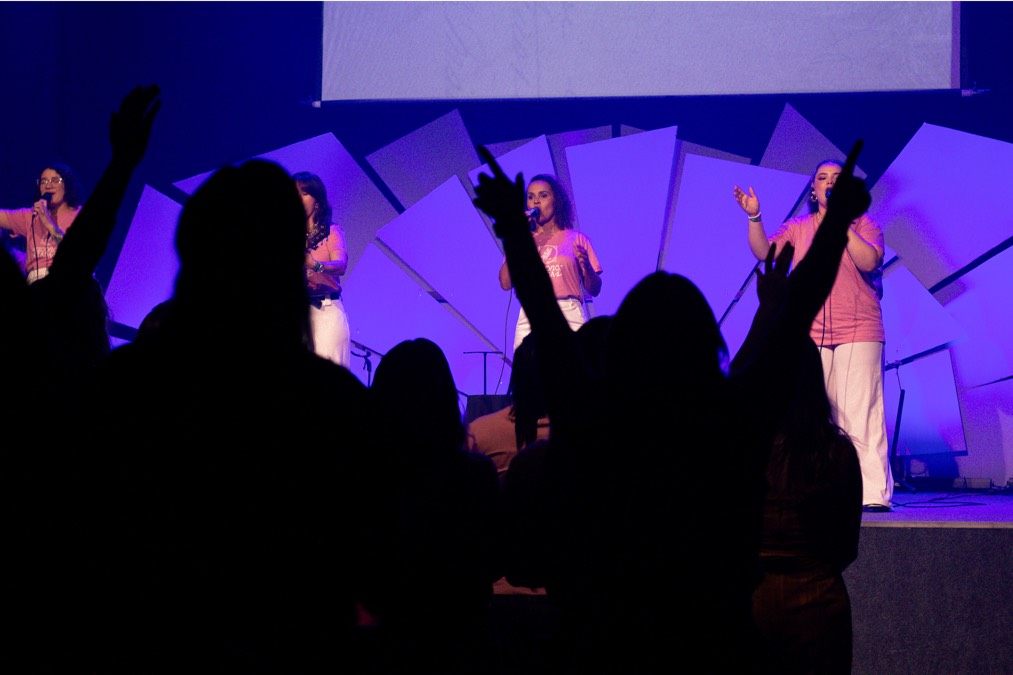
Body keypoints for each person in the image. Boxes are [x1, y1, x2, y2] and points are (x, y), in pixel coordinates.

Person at [474, 140, 872, 673]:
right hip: (715, 647)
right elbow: (791, 324)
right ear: (707, 345)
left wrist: (509, 224)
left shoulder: (595, 427)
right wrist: (784, 294)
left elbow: (547, 323)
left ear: (620, 352)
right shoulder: (729, 427)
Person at [734, 159, 893, 512]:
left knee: (859, 414)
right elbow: (766, 253)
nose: (830, 183)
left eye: (838, 179)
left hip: (860, 329)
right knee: (816, 415)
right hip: (812, 333)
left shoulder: (864, 224)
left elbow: (869, 262)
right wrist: (755, 217)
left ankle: (872, 496)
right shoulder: (799, 226)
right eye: (823, 178)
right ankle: (824, 489)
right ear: (813, 190)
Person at [367, 337, 501, 674]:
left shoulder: (369, 483)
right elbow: (495, 560)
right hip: (467, 643)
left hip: (389, 644)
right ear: (445, 399)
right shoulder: (475, 474)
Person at [739, 339, 863, 674]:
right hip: (820, 605)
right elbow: (846, 546)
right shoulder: (838, 453)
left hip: (752, 604)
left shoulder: (742, 451)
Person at [498, 173, 602, 351]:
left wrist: (587, 268)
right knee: (528, 375)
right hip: (530, 315)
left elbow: (595, 289)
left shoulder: (577, 239)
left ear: (556, 201)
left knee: (571, 374)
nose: (536, 202)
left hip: (568, 313)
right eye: (530, 197)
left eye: (543, 195)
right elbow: (506, 283)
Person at [296, 170, 351, 368]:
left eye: (304, 194)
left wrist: (315, 264)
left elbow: (340, 265)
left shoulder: (331, 232)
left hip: (326, 313)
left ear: (316, 199)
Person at [0, 162, 84, 283]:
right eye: (43, 181)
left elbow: (76, 254)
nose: (48, 186)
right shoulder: (31, 216)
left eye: (55, 180)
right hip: (38, 285)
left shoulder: (80, 216)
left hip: (72, 278)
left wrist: (48, 223)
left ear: (67, 185)